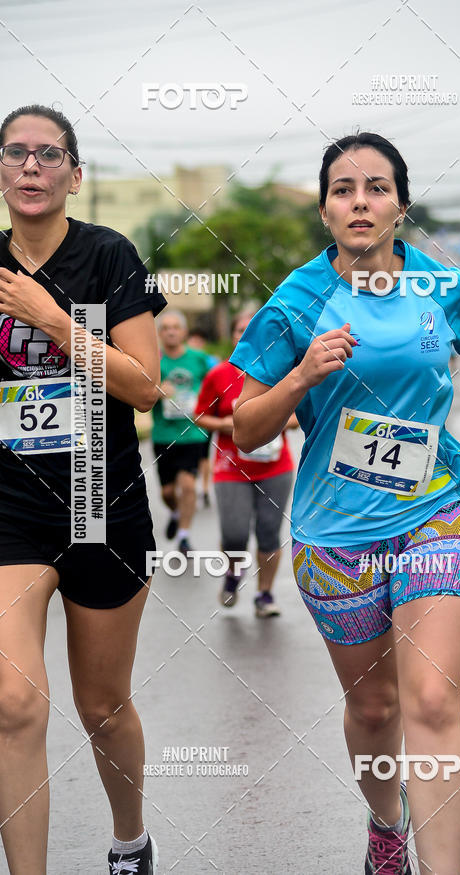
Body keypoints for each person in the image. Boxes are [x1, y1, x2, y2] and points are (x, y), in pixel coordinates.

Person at [230, 132, 460, 874]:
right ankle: (387, 823)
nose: (360, 201)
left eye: (377, 187)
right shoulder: (297, 300)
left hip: (435, 510)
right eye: (344, 189)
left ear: (400, 206)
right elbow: (244, 426)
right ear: (324, 210)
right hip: (335, 531)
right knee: (375, 708)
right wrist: (300, 378)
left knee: (434, 704)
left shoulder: (440, 286)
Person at [0, 105, 165, 874]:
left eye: (47, 154)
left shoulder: (109, 256)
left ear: (73, 172)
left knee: (101, 707)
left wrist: (54, 319)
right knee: (14, 702)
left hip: (103, 503)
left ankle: (130, 839)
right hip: (10, 509)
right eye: (15, 153)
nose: (30, 167)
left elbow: (143, 387)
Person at [194, 311, 297, 617]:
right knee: (236, 533)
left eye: (250, 329)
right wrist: (229, 424)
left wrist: (279, 423)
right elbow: (200, 416)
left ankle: (265, 595)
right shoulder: (219, 374)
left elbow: (299, 414)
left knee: (269, 533)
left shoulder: (281, 371)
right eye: (239, 330)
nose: (244, 334)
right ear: (234, 336)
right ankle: (233, 573)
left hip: (275, 467)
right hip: (231, 468)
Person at [151, 310, 212, 553]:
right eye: (166, 327)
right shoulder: (153, 361)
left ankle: (184, 535)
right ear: (159, 333)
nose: (171, 331)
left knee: (188, 486)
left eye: (176, 327)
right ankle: (175, 511)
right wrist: (156, 391)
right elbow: (138, 394)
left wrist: (204, 403)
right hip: (163, 435)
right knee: (167, 492)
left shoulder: (199, 359)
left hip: (192, 434)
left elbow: (214, 387)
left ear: (184, 332)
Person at [187, 324, 219, 508]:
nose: (196, 343)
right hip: (182, 415)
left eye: (200, 340)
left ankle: (205, 488)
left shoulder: (209, 361)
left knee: (204, 454)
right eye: (194, 339)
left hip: (204, 413)